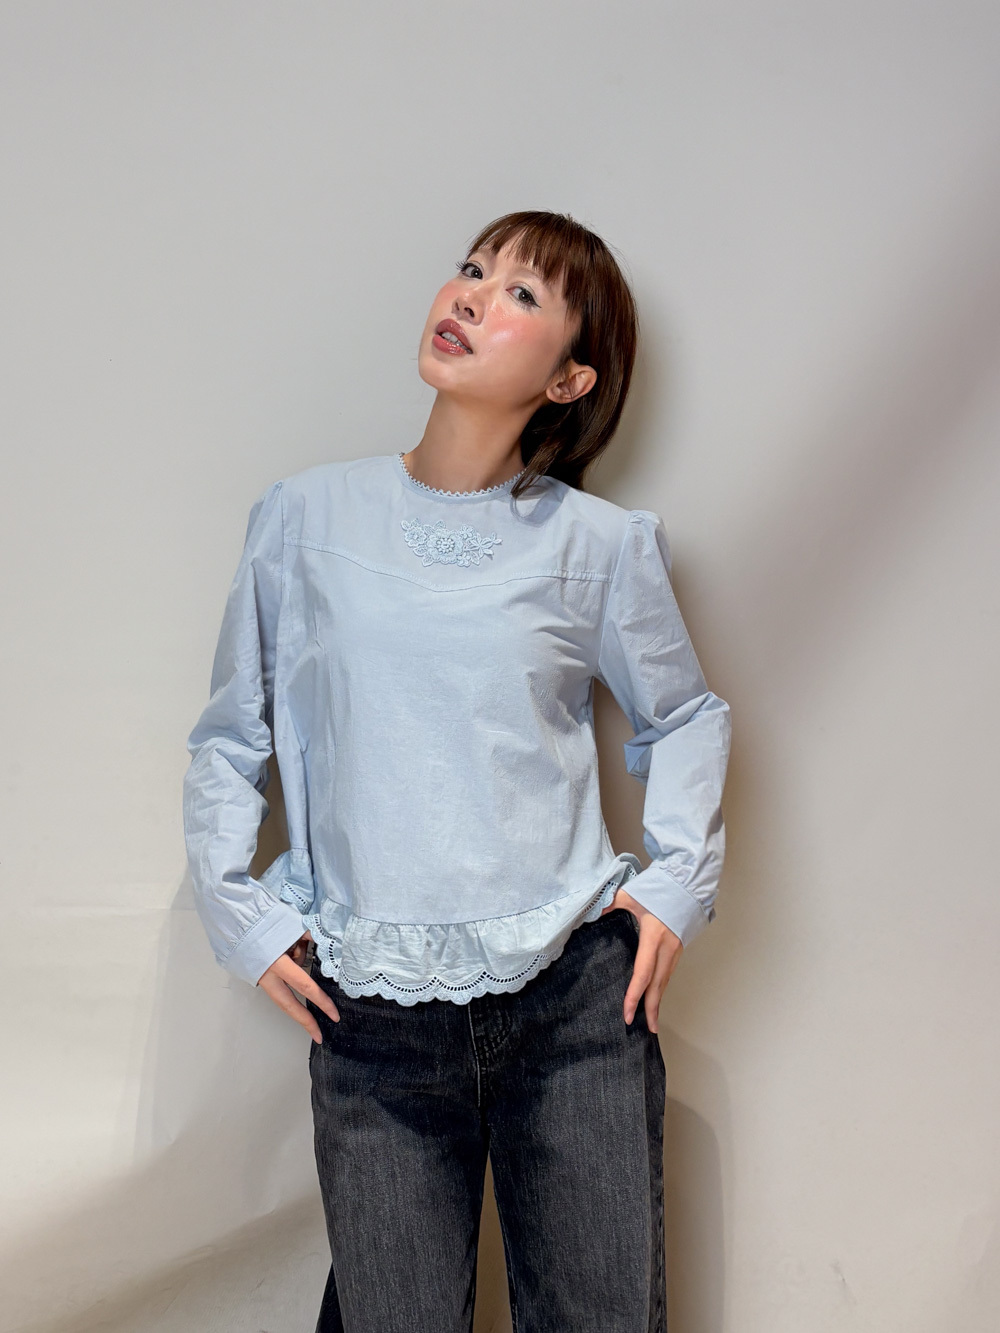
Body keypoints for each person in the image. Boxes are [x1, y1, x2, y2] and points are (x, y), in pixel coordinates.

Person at [182, 209, 732, 1333]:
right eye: (474, 270)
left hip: (573, 1000)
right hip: (370, 1009)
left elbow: (684, 715)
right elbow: (232, 733)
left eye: (522, 293)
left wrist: (675, 883)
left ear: (570, 379)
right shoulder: (304, 516)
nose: (473, 296)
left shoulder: (598, 546)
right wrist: (237, 914)